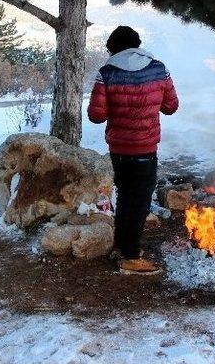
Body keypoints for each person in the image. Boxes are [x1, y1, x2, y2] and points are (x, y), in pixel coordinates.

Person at [88, 26, 179, 275]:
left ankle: (123, 246)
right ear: (137, 44)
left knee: (126, 197)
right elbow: (171, 106)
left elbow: (96, 115)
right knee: (139, 202)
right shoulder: (158, 68)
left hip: (118, 148)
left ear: (112, 48)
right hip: (145, 148)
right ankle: (131, 256)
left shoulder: (106, 73)